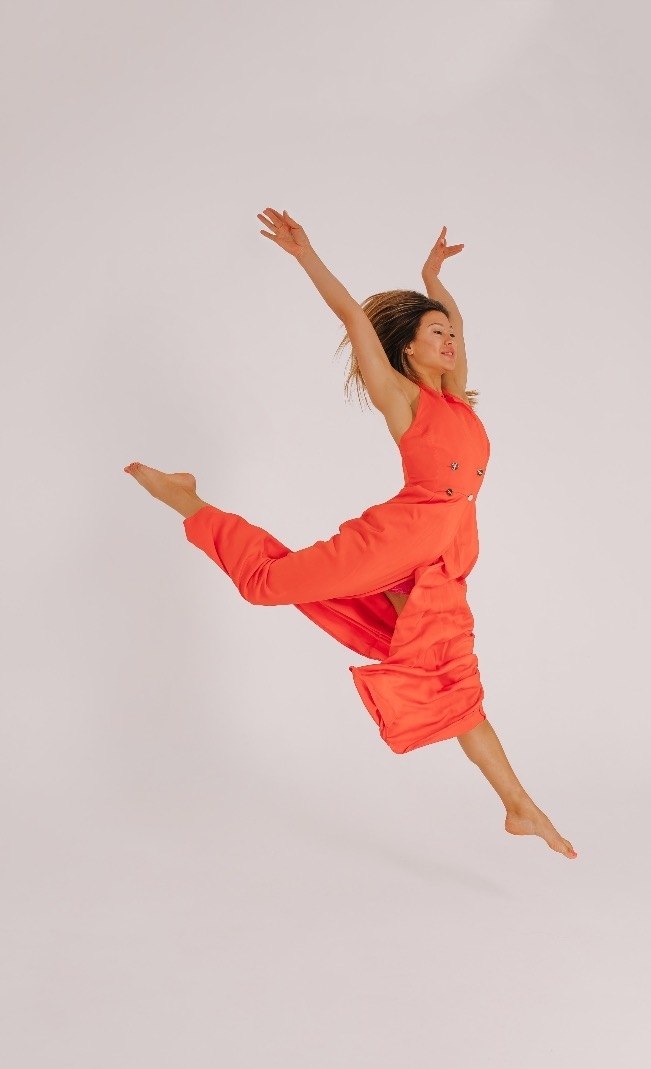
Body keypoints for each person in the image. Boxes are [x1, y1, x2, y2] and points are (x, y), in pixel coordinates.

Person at [125, 208, 576, 859]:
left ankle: (518, 806)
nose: (450, 340)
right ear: (408, 349)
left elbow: (459, 321)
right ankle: (187, 499)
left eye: (452, 333)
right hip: (395, 543)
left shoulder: (456, 398)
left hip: (441, 562)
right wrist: (305, 254)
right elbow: (354, 320)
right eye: (436, 333)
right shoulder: (404, 400)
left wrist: (432, 278)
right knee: (263, 585)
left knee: (452, 677)